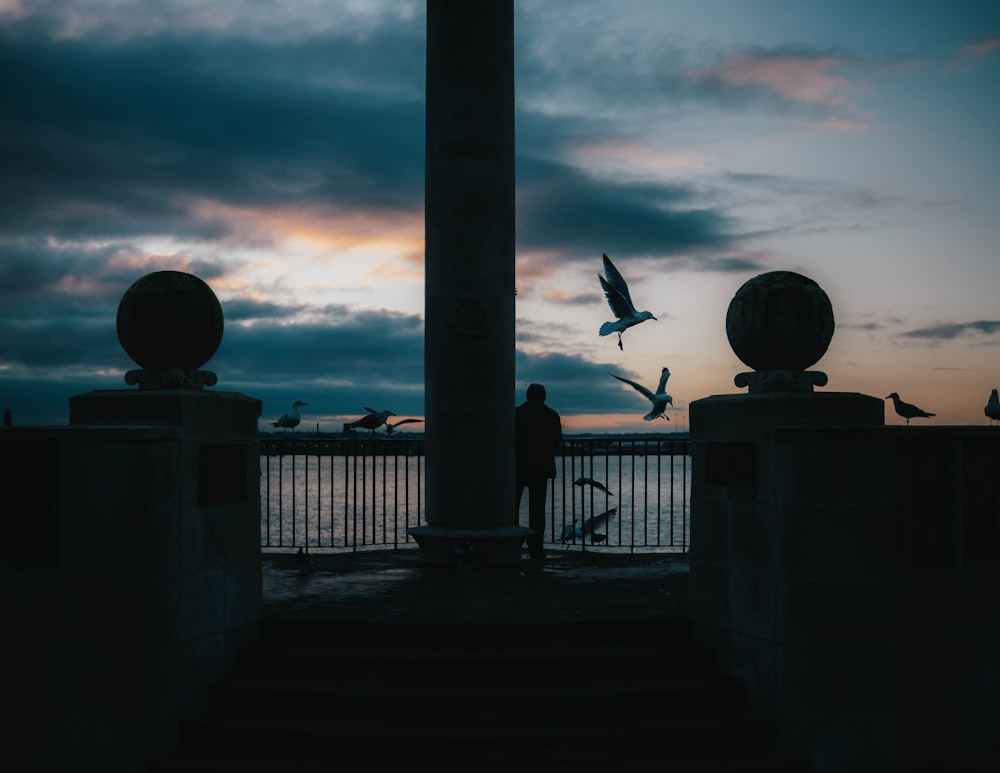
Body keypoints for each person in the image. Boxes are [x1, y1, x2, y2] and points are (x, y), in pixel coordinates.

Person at [514, 383, 563, 564]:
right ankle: (537, 547)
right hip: (541, 468)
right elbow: (557, 442)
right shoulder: (552, 415)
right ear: (544, 397)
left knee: (513, 508)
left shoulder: (516, 413)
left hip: (518, 467)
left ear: (527, 396)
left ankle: (513, 544)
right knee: (537, 510)